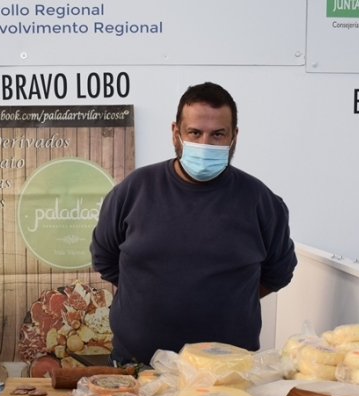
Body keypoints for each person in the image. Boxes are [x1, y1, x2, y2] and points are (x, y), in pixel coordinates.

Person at [90, 82, 297, 366]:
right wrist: (146, 292)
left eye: (217, 135)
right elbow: (105, 259)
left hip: (228, 371)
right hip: (137, 365)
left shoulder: (260, 201)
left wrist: (228, 300)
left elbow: (278, 274)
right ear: (176, 132)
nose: (205, 144)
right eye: (195, 133)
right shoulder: (133, 191)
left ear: (233, 136)